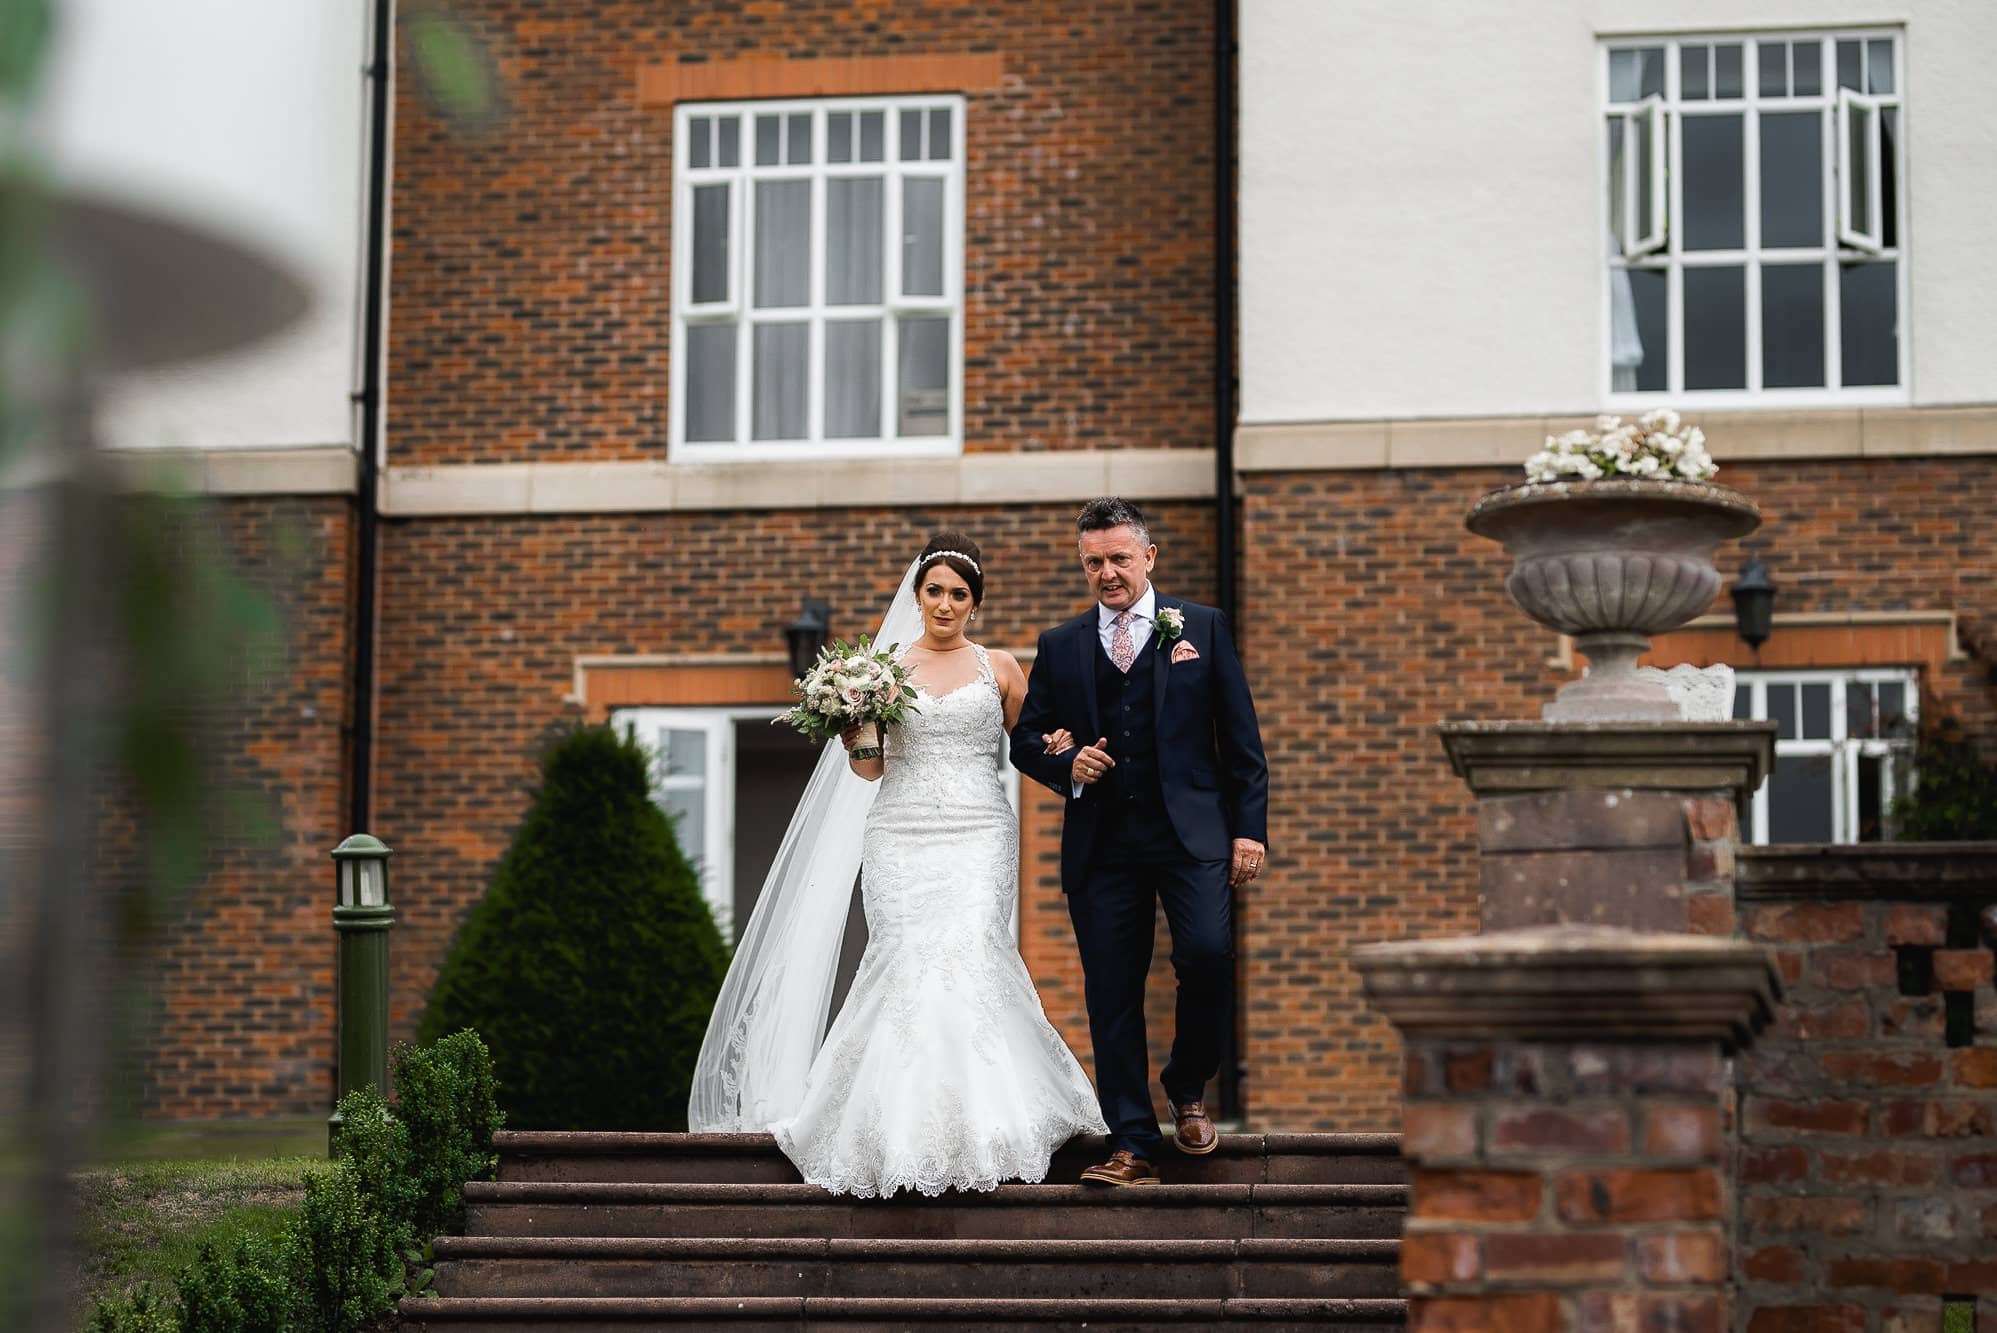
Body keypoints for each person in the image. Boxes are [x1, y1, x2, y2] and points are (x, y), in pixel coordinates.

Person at [688, 533, 1105, 1197]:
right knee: (905, 958)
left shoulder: (999, 667)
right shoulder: (879, 671)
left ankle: (990, 1122)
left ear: (974, 603)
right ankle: (897, 1128)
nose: (945, 604)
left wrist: (1059, 742)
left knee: (972, 950)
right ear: (917, 595)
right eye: (934, 591)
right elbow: (869, 770)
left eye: (959, 594)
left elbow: (1031, 741)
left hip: (978, 831)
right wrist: (852, 725)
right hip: (900, 832)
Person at [1009, 497, 1269, 1186]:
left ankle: (1187, 1084)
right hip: (1103, 843)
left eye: (1119, 558)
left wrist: (1249, 829)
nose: (1107, 573)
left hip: (1192, 834)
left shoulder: (1202, 627)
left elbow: (1241, 740)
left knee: (1207, 956)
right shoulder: (1061, 644)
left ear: (1148, 557)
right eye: (1093, 562)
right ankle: (1132, 1141)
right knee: (1112, 991)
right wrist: (1068, 763)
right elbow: (1026, 740)